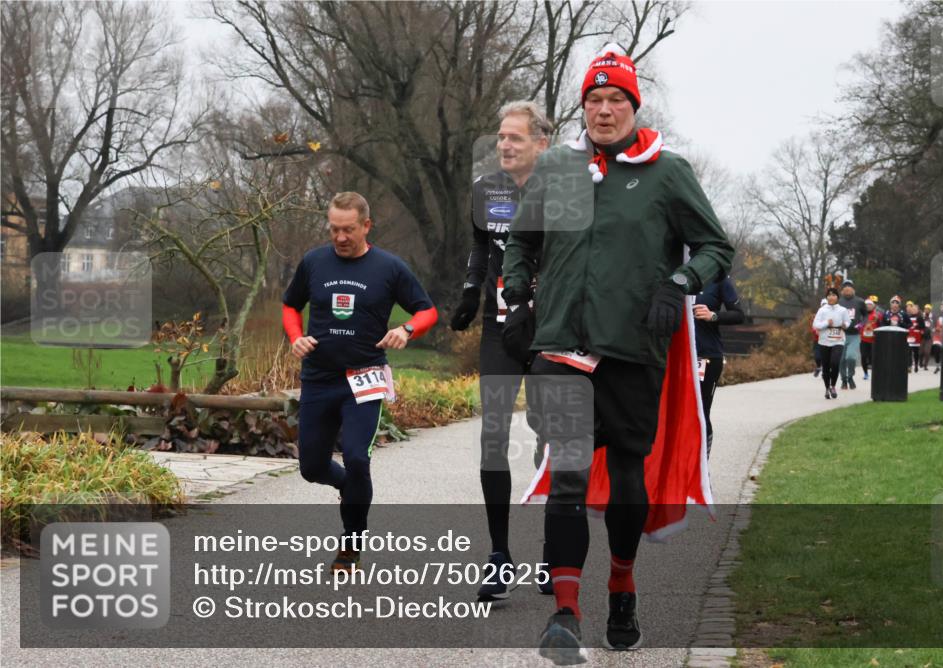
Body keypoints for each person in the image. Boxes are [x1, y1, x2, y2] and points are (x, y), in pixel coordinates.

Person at [502, 44, 733, 660]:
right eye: (594, 100)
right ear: (583, 106)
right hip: (562, 347)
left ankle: (624, 583)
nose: (604, 111)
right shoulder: (555, 168)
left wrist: (679, 283)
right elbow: (522, 243)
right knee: (570, 475)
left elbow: (714, 247)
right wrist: (519, 297)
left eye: (616, 100)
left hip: (633, 348)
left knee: (628, 475)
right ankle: (566, 614)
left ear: (634, 105)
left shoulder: (667, 172)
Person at [282, 192, 438, 572]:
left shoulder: (389, 267)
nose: (340, 237)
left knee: (356, 457)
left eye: (348, 229)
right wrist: (295, 337)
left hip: (364, 378)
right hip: (319, 378)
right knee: (312, 467)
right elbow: (290, 306)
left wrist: (406, 329)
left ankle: (351, 544)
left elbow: (428, 310)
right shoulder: (314, 262)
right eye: (334, 229)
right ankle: (347, 489)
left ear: (366, 226)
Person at [449, 100, 554, 601]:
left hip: (549, 328)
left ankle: (556, 552)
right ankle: (499, 556)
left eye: (515, 137)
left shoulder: (563, 194)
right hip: (498, 326)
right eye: (501, 137)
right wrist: (472, 289)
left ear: (542, 143)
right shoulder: (485, 190)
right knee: (493, 433)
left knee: (549, 433)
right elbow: (479, 245)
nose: (505, 145)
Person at [694, 277, 744, 457]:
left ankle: (702, 468)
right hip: (673, 356)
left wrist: (713, 315)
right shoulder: (673, 270)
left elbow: (739, 314)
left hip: (705, 355)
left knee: (700, 410)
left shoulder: (718, 278)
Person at [813, 287, 849, 399]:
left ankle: (833, 385)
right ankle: (827, 388)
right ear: (826, 297)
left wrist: (845, 325)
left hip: (838, 340)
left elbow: (848, 322)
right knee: (826, 366)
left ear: (837, 297)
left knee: (835, 363)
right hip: (824, 341)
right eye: (829, 295)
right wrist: (826, 323)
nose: (831, 297)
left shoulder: (843, 310)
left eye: (834, 295)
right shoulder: (822, 310)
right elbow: (816, 325)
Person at [837, 279, 866, 390]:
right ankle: (844, 380)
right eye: (845, 287)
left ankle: (850, 377)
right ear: (842, 290)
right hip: (841, 334)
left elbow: (865, 316)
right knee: (841, 359)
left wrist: (861, 325)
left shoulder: (859, 301)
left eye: (849, 287)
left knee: (850, 357)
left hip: (854, 335)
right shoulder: (839, 302)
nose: (847, 289)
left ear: (853, 289)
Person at [859, 297, 879, 381]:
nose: (868, 306)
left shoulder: (877, 315)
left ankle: (875, 373)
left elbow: (881, 325)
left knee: (873, 357)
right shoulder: (861, 315)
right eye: (866, 305)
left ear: (873, 306)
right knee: (863, 356)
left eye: (870, 305)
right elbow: (857, 325)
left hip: (874, 340)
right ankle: (866, 373)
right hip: (863, 339)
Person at [905, 301, 924, 373]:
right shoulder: (908, 317)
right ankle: (909, 366)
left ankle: (916, 364)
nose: (913, 311)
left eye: (915, 309)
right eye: (912, 309)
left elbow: (923, 326)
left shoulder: (919, 318)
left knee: (916, 352)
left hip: (917, 336)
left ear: (917, 310)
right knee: (908, 351)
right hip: (909, 335)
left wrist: (916, 326)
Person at [919, 304, 934, 370]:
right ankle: (920, 362)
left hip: (929, 338)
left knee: (927, 352)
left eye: (928, 309)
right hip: (922, 337)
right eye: (926, 309)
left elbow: (937, 325)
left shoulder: (933, 317)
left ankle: (925, 365)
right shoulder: (922, 316)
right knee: (920, 352)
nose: (927, 310)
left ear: (930, 310)